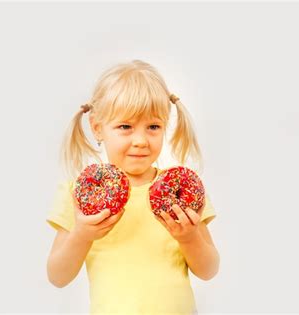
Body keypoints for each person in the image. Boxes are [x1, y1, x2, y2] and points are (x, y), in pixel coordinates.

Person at [46, 59, 220, 314]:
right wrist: (82, 235)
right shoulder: (78, 195)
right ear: (98, 128)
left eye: (153, 127)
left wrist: (189, 237)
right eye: (125, 127)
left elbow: (209, 270)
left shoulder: (180, 194)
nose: (140, 140)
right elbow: (57, 276)